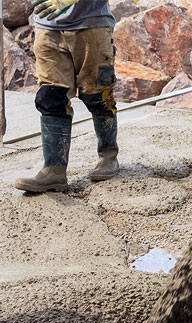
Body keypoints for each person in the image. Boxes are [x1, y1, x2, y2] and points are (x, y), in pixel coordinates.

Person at [15, 0, 119, 193]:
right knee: (51, 97)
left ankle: (108, 156)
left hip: (91, 25)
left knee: (97, 96)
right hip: (47, 27)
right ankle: (53, 171)